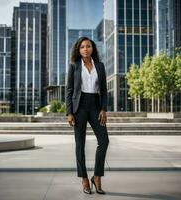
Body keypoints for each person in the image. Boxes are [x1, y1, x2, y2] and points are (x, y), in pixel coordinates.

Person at [66, 37, 109, 195]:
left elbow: (104, 90)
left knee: (104, 141)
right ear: (79, 49)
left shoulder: (100, 66)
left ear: (92, 48)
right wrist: (69, 112)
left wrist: (103, 109)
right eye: (82, 47)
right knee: (80, 145)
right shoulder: (74, 66)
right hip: (79, 107)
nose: (85, 49)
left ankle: (96, 177)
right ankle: (84, 179)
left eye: (88, 46)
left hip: (96, 106)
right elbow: (69, 90)